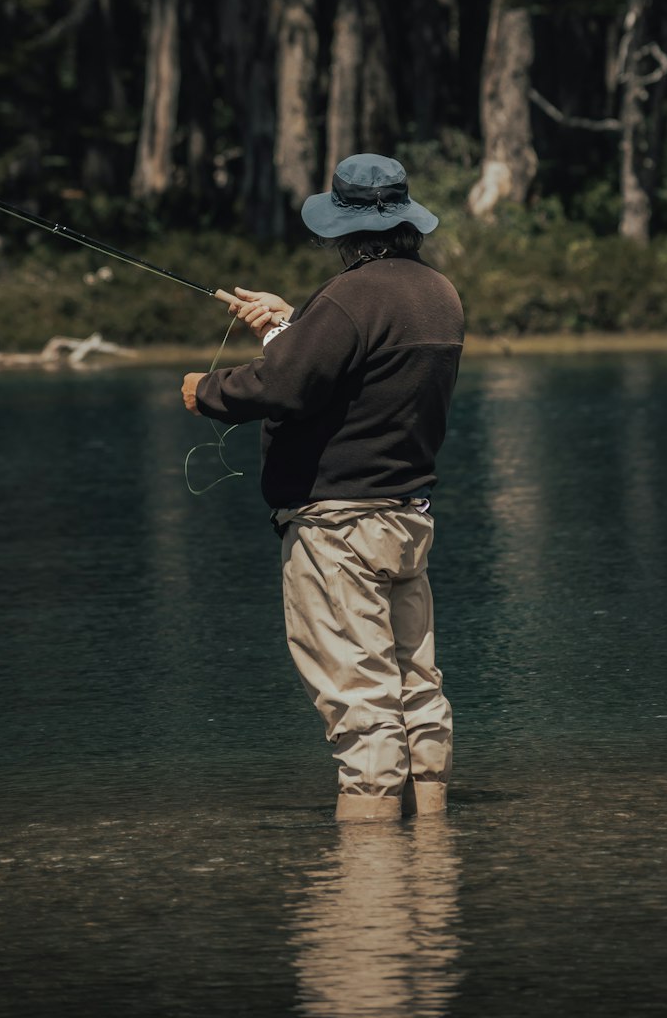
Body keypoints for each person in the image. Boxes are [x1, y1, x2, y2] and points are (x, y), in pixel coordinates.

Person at [181, 153, 464, 821]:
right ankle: (429, 855)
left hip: (338, 533)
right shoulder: (438, 293)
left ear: (341, 231)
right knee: (417, 692)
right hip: (406, 522)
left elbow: (287, 386)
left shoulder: (350, 297)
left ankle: (367, 891)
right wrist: (290, 324)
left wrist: (209, 392)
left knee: (360, 703)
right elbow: (356, 376)